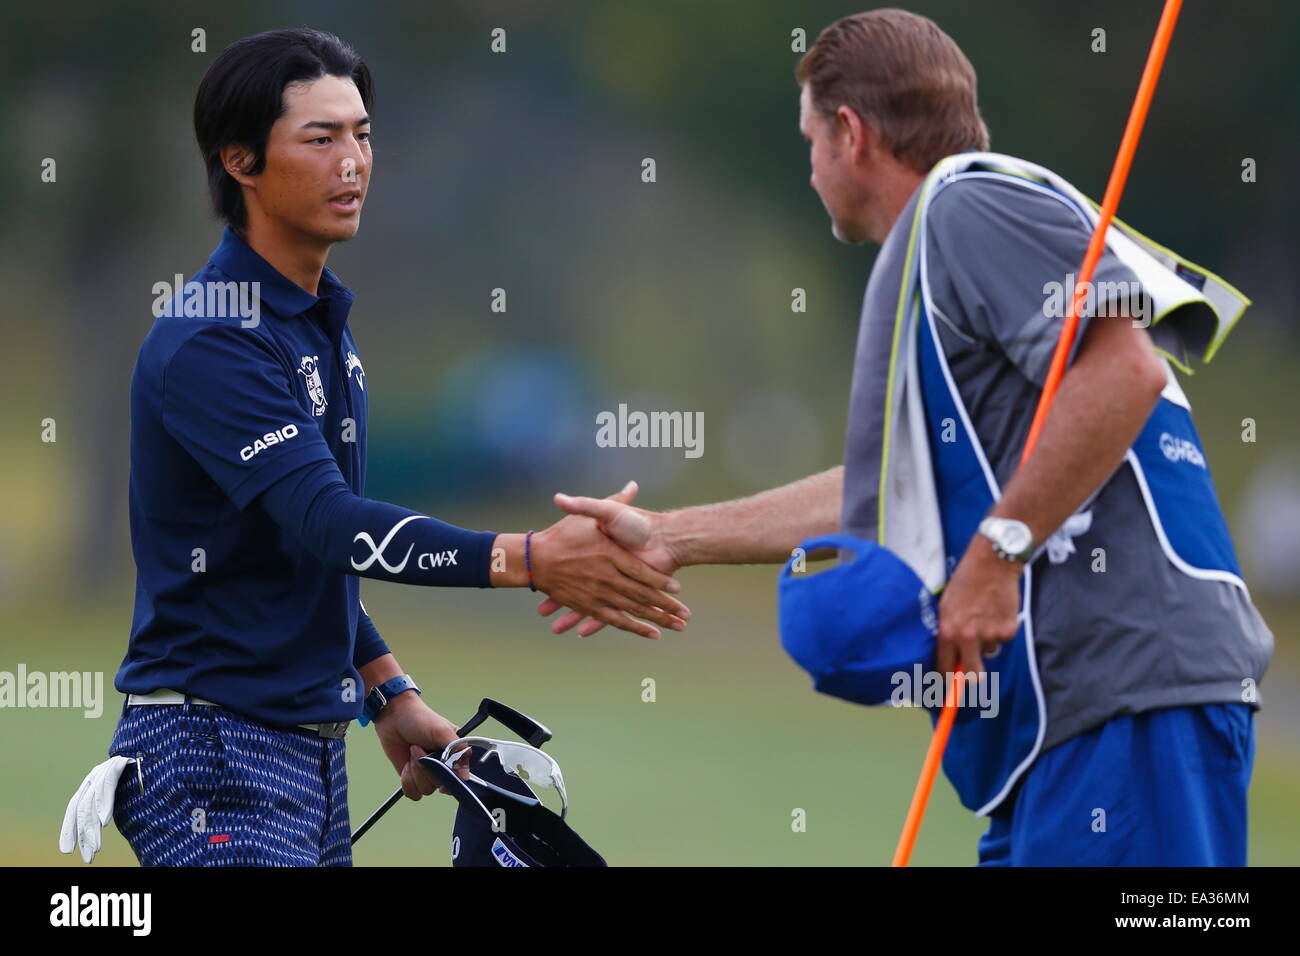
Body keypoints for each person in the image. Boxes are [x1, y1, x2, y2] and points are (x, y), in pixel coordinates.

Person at [540, 9, 1274, 865]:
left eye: (810, 141)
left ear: (851, 134)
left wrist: (995, 555)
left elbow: (1126, 372)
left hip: (1127, 701)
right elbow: (886, 489)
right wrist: (672, 538)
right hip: (1060, 732)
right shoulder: (948, 237)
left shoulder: (967, 205)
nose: (811, 171)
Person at [59, 28, 688, 867]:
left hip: (304, 747)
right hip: (213, 752)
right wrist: (529, 557)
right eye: (320, 139)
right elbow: (333, 524)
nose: (352, 161)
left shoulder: (317, 324)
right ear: (240, 161)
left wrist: (387, 688)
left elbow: (298, 552)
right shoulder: (213, 338)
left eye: (362, 135)